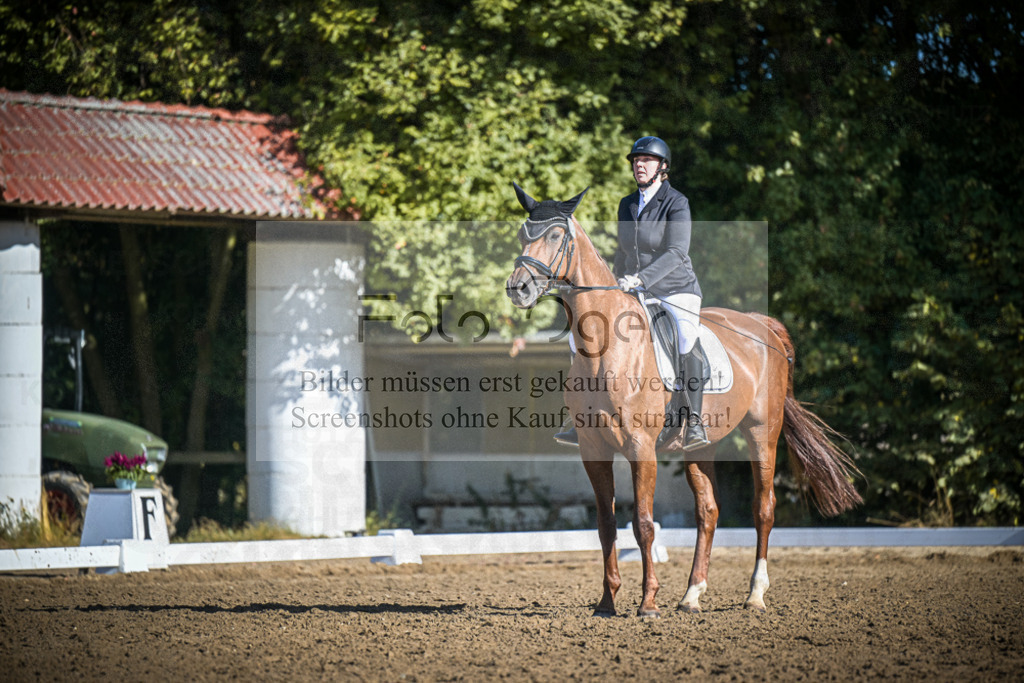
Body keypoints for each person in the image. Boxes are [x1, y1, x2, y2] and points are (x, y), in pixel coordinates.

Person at [555, 136, 710, 451]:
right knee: (579, 337)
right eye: (636, 160)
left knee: (683, 335)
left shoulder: (676, 202)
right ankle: (578, 415)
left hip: (675, 289)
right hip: (631, 290)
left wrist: (641, 279)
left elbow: (677, 252)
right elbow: (624, 252)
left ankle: (693, 420)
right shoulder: (627, 203)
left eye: (647, 160)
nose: (639, 165)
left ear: (662, 167)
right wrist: (612, 286)